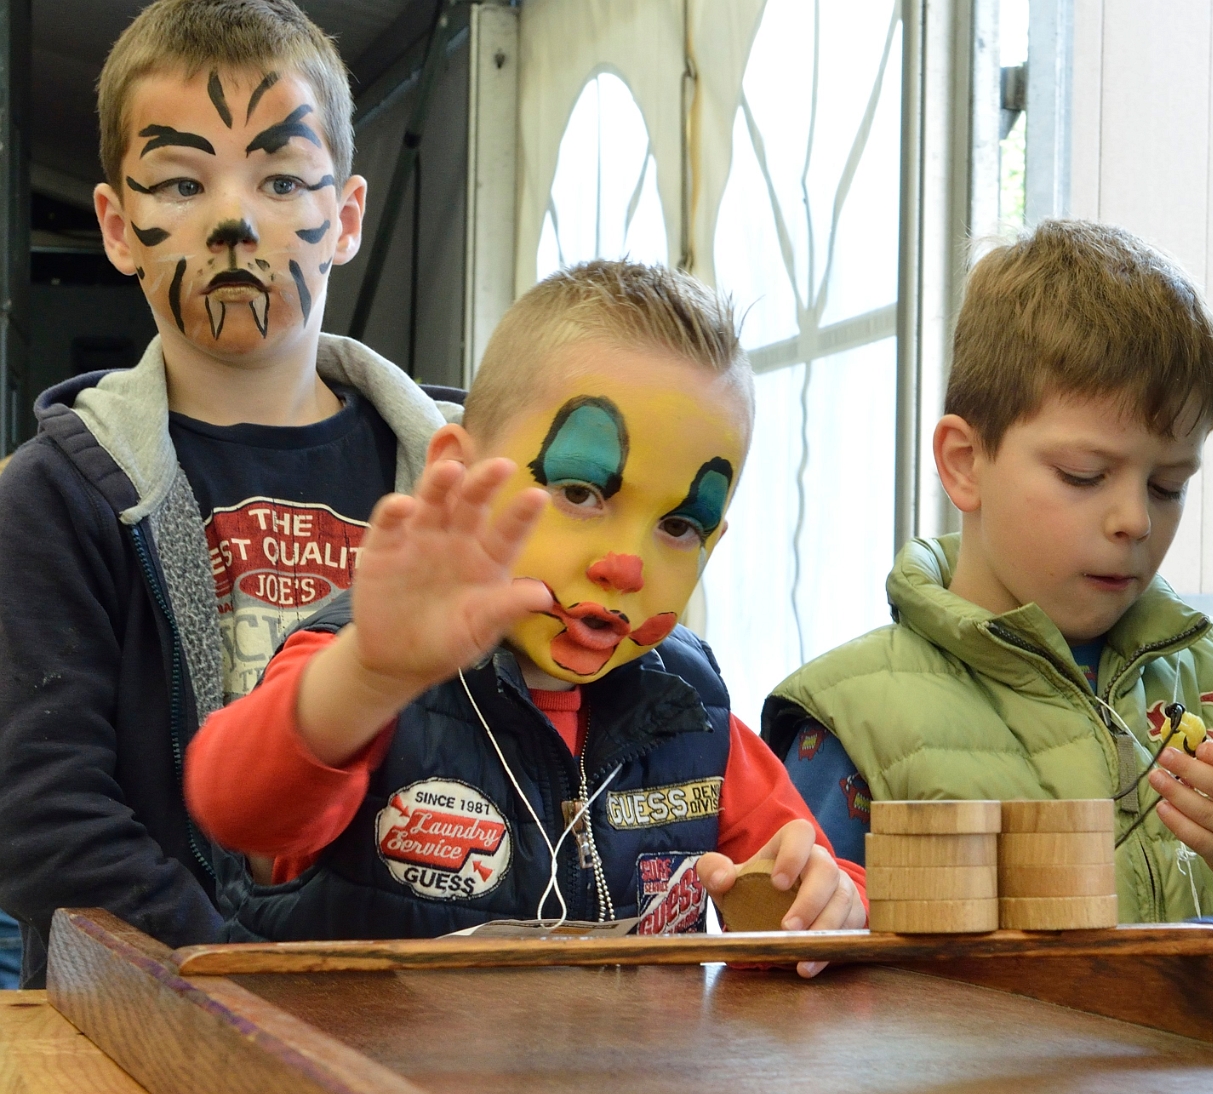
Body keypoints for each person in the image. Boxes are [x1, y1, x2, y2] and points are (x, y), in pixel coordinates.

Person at [183, 261, 866, 973]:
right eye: (580, 491)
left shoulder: (693, 717)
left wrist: (829, 898)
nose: (623, 565)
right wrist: (369, 678)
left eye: (679, 526)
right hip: (360, 1081)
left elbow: (822, 881)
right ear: (456, 470)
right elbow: (232, 809)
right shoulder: (363, 665)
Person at [765, 220, 1213, 945]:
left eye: (1169, 486)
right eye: (1085, 475)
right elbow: (803, 968)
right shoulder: (853, 717)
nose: (1135, 519)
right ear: (963, 462)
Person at [0, 0, 435, 986]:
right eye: (184, 182)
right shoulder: (56, 498)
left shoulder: (458, 480)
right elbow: (44, 817)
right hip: (147, 1044)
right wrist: (243, 986)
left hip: (424, 1033)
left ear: (349, 217)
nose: (236, 220)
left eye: (282, 179)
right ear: (117, 225)